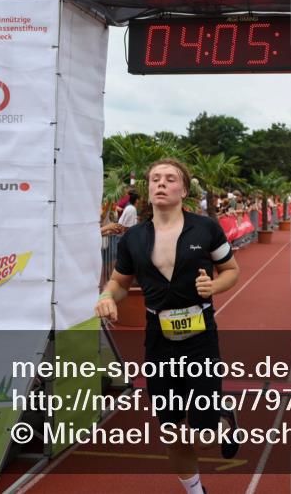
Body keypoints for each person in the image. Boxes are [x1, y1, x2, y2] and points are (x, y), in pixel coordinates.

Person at [95, 158, 240, 494]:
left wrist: (213, 287)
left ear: (183, 190)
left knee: (204, 438)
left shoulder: (206, 229)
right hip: (158, 342)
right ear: (147, 188)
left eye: (169, 178)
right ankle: (195, 491)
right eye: (154, 178)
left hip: (200, 340)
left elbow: (231, 270)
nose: (160, 183)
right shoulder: (134, 238)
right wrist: (107, 296)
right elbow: (119, 282)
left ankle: (222, 421)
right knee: (171, 431)